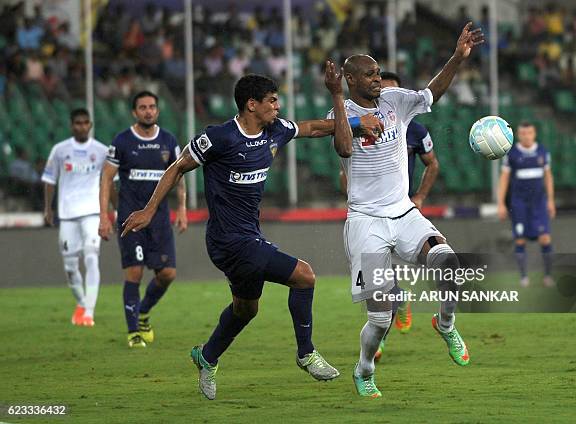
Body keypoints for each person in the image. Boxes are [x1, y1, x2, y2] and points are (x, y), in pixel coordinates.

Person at [121, 74, 384, 400]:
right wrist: (148, 211)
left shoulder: (274, 130)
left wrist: (358, 122)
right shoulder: (218, 138)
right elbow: (177, 167)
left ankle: (207, 356)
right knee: (304, 276)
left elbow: (314, 128)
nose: (277, 106)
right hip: (227, 241)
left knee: (246, 310)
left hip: (248, 237)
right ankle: (306, 353)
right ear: (252, 104)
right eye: (272, 100)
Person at [326, 22, 483, 398]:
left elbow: (432, 93)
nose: (378, 78)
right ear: (349, 79)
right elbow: (345, 149)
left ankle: (445, 325)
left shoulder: (395, 103)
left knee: (450, 265)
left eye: (379, 72)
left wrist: (458, 58)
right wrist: (335, 98)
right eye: (370, 74)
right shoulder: (338, 114)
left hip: (404, 212)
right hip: (366, 221)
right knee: (380, 318)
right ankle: (364, 370)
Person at [338, 71, 441, 361]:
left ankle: (407, 312)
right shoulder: (355, 120)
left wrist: (418, 196)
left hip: (402, 209)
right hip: (369, 214)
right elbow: (342, 163)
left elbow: (432, 164)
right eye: (379, 85)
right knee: (381, 287)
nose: (385, 94)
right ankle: (385, 326)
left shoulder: (415, 129)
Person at [98, 91, 188, 348]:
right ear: (134, 112)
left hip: (159, 219)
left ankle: (143, 312)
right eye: (142, 107)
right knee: (135, 273)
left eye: (152, 107)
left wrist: (181, 209)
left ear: (157, 111)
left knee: (168, 274)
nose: (148, 111)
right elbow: (106, 178)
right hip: (130, 218)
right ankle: (133, 333)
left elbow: (179, 176)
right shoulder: (123, 141)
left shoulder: (169, 141)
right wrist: (105, 215)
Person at [41, 109, 109, 326]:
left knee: (91, 256)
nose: (81, 126)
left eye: (85, 122)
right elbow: (50, 180)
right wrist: (48, 209)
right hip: (67, 214)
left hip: (92, 212)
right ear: (72, 125)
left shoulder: (101, 151)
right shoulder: (60, 150)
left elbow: (109, 182)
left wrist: (110, 211)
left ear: (90, 125)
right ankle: (81, 303)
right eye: (77, 123)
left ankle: (89, 312)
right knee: (70, 267)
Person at [497, 122, 556, 287]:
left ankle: (548, 276)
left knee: (545, 238)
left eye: (529, 133)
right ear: (518, 134)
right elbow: (504, 178)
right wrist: (501, 203)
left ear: (534, 133)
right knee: (520, 240)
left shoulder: (543, 151)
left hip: (539, 203)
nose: (526, 136)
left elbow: (548, 176)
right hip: (519, 204)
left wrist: (551, 200)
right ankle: (523, 277)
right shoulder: (512, 154)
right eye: (523, 133)